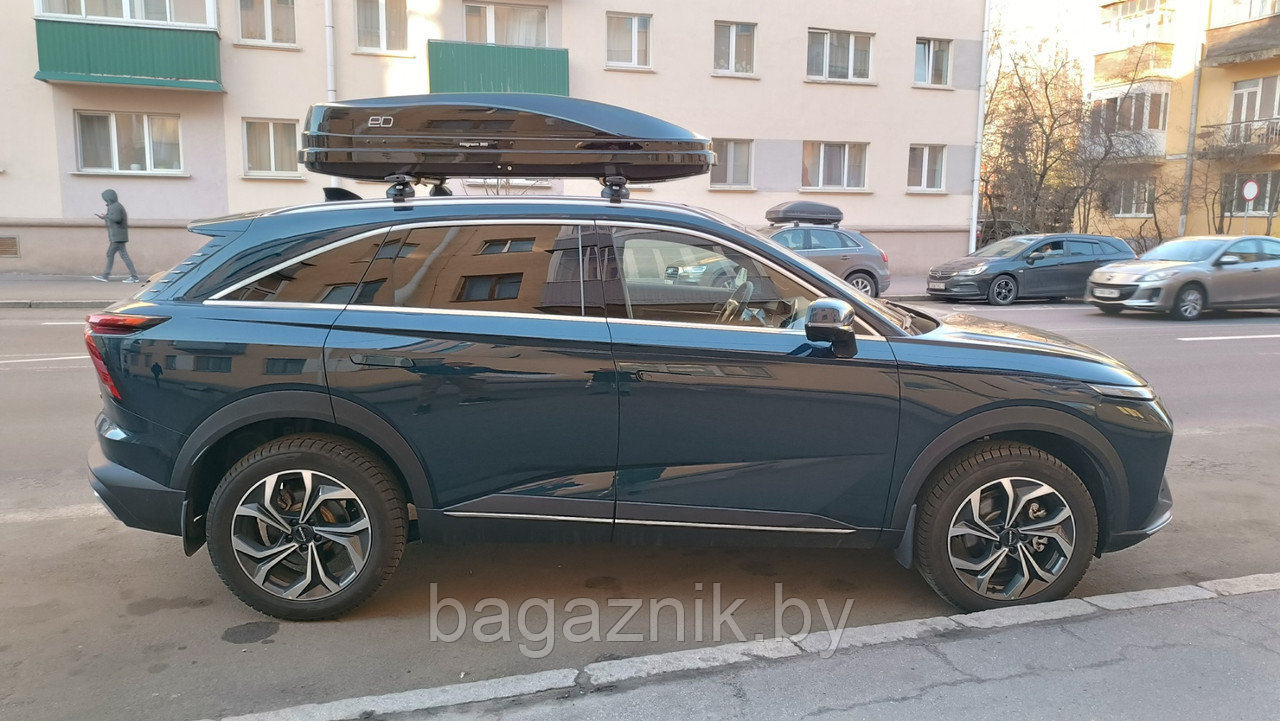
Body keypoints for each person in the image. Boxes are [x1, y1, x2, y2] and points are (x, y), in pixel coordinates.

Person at [92, 189, 140, 283]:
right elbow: (113, 218)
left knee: (114, 254)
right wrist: (105, 217)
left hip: (118, 237)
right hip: (117, 236)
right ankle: (133, 277)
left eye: (106, 199)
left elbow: (117, 219)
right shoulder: (113, 206)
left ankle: (107, 276)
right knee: (116, 255)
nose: (105, 201)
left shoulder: (116, 207)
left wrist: (106, 217)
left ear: (109, 198)